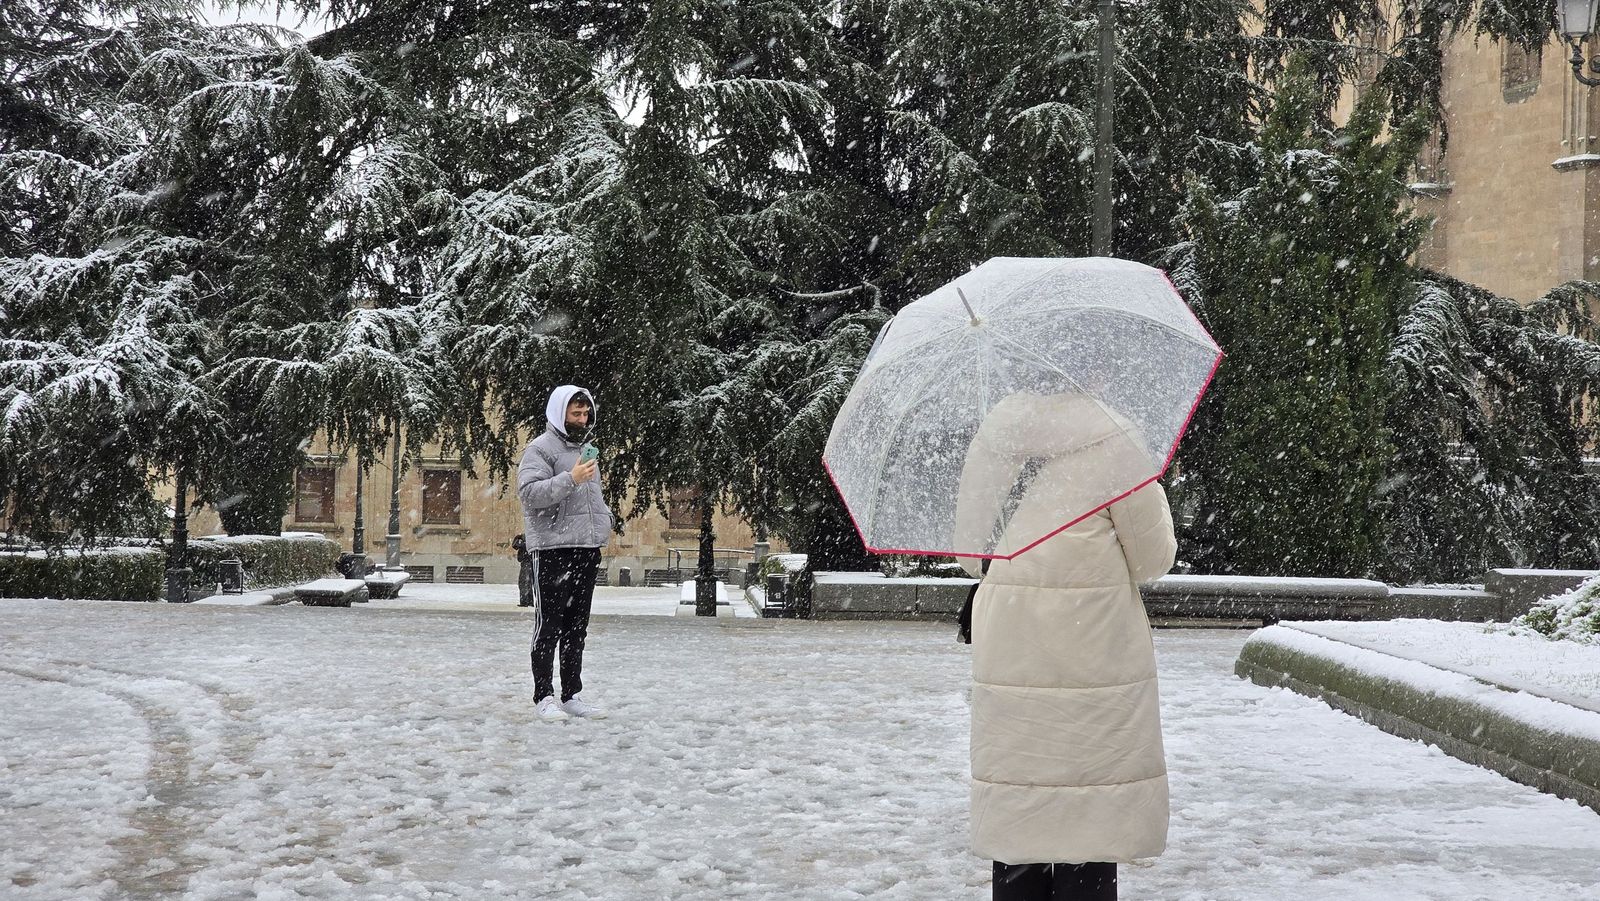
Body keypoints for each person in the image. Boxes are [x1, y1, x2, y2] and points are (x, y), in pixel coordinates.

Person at [954, 392, 1178, 901]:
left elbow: (972, 551)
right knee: (1090, 815)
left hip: (1014, 639)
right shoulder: (1115, 438)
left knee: (1020, 806)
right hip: (1094, 642)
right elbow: (1152, 560)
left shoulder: (996, 435)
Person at [517, 385, 616, 722]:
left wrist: (605, 521)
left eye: (586, 413)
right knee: (549, 626)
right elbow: (530, 495)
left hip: (586, 548)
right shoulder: (539, 449)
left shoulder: (587, 449)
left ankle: (572, 693)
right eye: (576, 413)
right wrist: (569, 478)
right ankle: (543, 695)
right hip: (551, 549)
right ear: (559, 412)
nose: (582, 418)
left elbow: (592, 498)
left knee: (577, 627)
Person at [511, 534, 533, 607]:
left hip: (526, 563)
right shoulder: (531, 541)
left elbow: (514, 545)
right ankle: (530, 601)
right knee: (529, 582)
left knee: (523, 582)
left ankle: (524, 601)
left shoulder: (524, 543)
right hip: (530, 563)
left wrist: (517, 537)